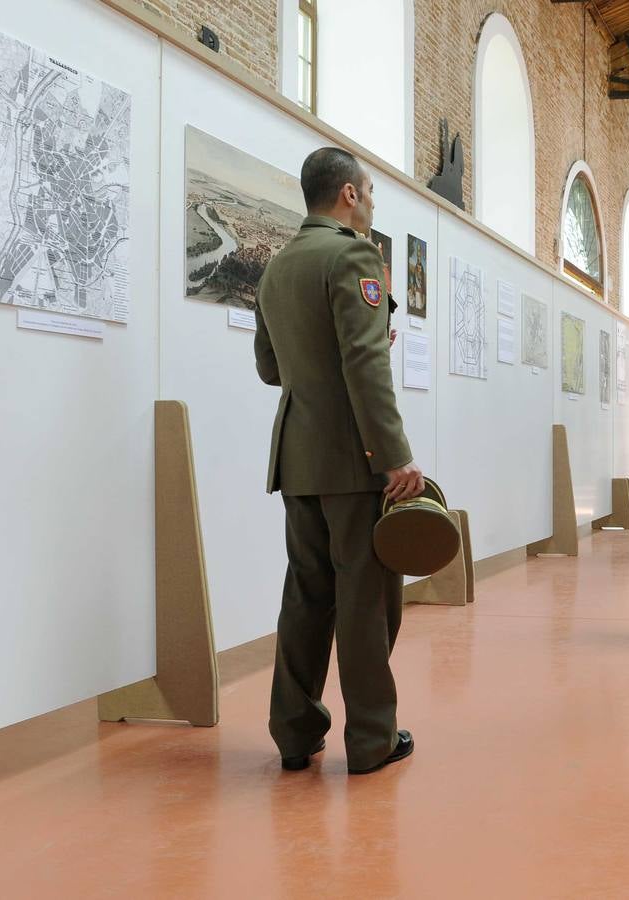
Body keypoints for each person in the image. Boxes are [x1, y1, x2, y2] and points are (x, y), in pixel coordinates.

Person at [253, 146, 422, 775]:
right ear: (349, 193)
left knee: (306, 596)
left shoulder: (277, 266)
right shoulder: (354, 255)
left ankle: (295, 735)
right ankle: (372, 739)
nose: (371, 201)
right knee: (366, 600)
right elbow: (365, 364)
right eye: (370, 190)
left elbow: (270, 368)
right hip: (354, 460)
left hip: (297, 458)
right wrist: (394, 457)